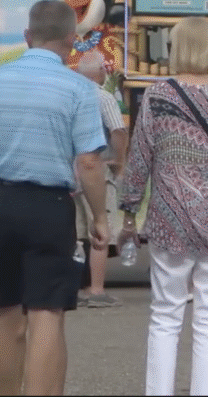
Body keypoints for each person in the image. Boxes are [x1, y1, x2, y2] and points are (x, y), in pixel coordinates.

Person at [0, 0, 110, 395]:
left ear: (27, 36)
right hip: (49, 207)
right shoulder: (79, 89)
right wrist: (100, 217)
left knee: (1, 313)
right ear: (71, 40)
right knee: (46, 314)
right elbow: (89, 162)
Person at [117, 16, 208, 396]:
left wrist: (129, 215)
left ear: (174, 47)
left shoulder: (157, 96)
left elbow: (139, 160)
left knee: (165, 314)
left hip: (169, 217)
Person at [74, 51, 128, 309]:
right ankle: (96, 290)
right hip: (97, 170)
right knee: (100, 230)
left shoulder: (69, 95)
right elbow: (118, 131)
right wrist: (119, 160)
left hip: (69, 173)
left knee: (76, 234)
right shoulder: (104, 98)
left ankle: (76, 288)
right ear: (100, 73)